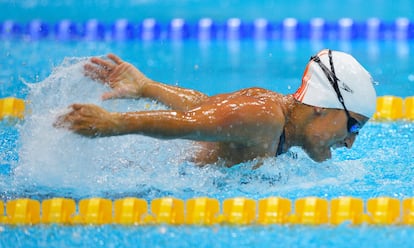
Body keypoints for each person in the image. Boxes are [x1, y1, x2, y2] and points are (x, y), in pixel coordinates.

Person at [55, 49, 377, 166]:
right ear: (323, 106)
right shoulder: (266, 118)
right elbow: (188, 123)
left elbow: (206, 109)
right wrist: (114, 124)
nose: (351, 141)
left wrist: (147, 88)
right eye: (353, 126)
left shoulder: (273, 115)